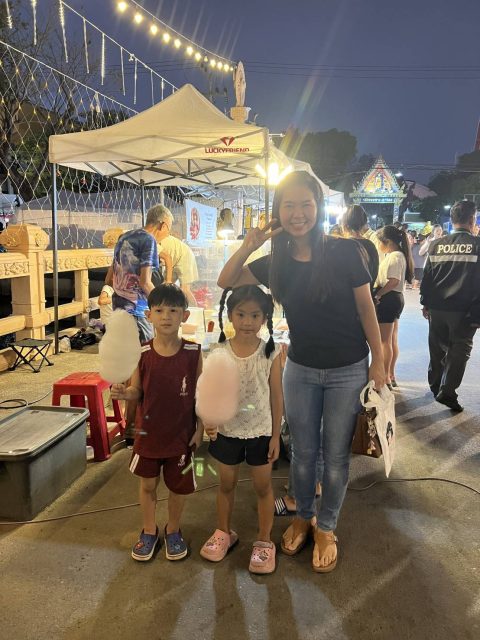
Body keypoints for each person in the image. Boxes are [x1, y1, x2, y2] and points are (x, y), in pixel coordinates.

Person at [217, 170, 385, 573]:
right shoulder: (276, 262)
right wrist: (249, 244)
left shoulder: (345, 252)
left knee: (336, 456)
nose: (297, 213)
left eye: (305, 204)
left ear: (318, 208)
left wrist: (379, 361)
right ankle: (303, 516)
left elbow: (366, 309)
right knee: (303, 454)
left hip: (347, 369)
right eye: (288, 205)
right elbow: (226, 280)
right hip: (301, 369)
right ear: (278, 211)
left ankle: (326, 527)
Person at [111, 284, 204, 561]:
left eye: (173, 310)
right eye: (160, 310)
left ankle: (173, 529)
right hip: (148, 435)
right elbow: (136, 391)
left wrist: (200, 429)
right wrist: (124, 393)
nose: (166, 316)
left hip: (181, 436)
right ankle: (149, 530)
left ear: (184, 316)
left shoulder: (194, 352)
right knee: (148, 485)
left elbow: (202, 395)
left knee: (178, 487)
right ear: (148, 315)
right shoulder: (141, 352)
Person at [200, 285, 283, 574]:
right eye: (241, 314)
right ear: (230, 315)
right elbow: (210, 391)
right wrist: (209, 419)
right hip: (227, 431)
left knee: (263, 487)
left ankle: (264, 541)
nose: (248, 321)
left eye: (255, 315)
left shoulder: (271, 352)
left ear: (264, 318)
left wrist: (276, 435)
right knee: (225, 485)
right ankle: (224, 532)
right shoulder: (219, 352)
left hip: (261, 432)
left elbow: (277, 396)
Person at [420, 200, 480, 412]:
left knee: (437, 348)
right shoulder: (477, 245)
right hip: (465, 311)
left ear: (452, 220)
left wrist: (425, 302)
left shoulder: (437, 244)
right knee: (459, 351)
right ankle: (447, 392)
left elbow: (427, 276)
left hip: (437, 308)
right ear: (472, 220)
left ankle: (435, 385)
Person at [374, 225, 414, 389]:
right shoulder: (399, 255)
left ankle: (385, 378)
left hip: (389, 299)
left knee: (384, 341)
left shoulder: (395, 257)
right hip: (395, 299)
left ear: (388, 242)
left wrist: (378, 295)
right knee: (391, 340)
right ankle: (390, 375)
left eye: (379, 242)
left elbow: (393, 281)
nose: (378, 245)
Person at [147, 205, 199, 306]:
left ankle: (196, 311)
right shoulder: (149, 238)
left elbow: (167, 258)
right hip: (173, 259)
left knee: (185, 289)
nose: (168, 233)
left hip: (184, 256)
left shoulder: (150, 240)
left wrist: (168, 281)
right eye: (169, 228)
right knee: (165, 289)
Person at [342, 205, 379, 292]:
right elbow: (374, 272)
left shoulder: (342, 245)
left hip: (346, 297)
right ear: (364, 223)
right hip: (367, 294)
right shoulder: (370, 245)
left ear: (344, 224)